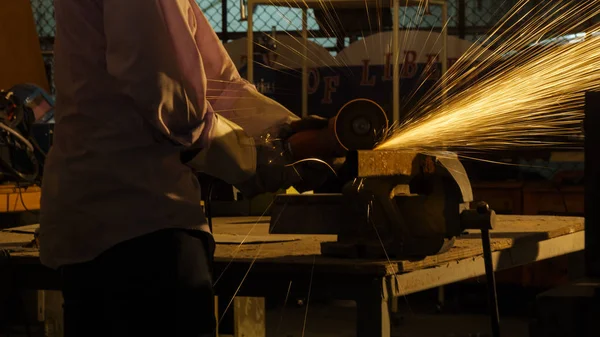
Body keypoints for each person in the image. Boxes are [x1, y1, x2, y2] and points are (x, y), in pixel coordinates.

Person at [39, 1, 332, 336]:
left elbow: (218, 83)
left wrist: (285, 132)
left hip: (112, 221)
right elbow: (170, 97)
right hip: (139, 227)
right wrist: (255, 160)